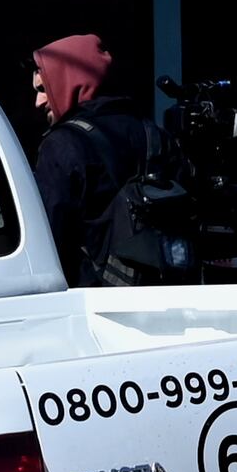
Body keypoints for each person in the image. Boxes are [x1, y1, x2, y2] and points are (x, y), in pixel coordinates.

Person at [19, 33, 157, 285]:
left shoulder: (62, 145)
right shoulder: (153, 133)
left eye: (43, 89)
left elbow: (48, 238)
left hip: (91, 302)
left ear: (69, 80)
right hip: (168, 292)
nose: (38, 102)